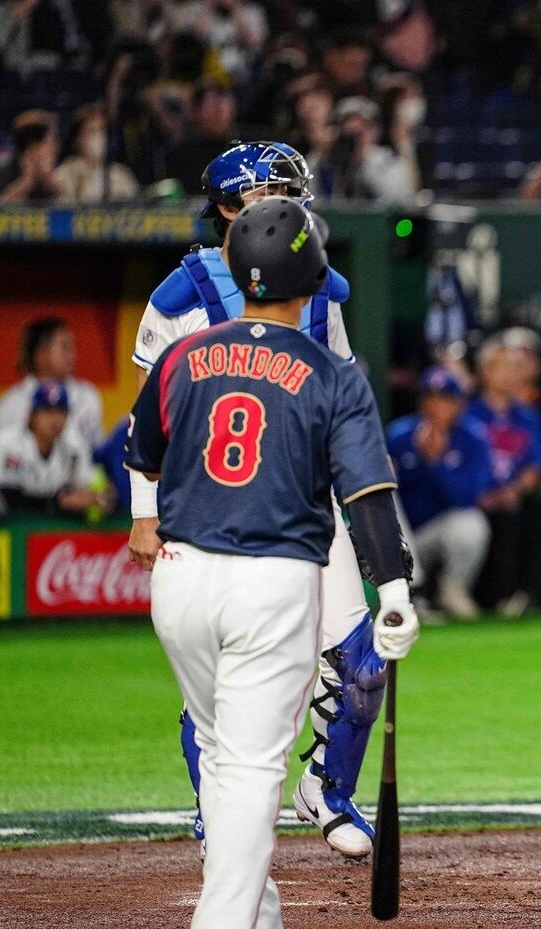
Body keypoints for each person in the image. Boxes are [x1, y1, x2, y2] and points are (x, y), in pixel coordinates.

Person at [126, 197, 417, 929]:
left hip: (181, 580)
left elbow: (143, 454)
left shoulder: (184, 356)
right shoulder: (330, 373)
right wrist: (392, 586)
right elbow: (366, 488)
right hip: (272, 580)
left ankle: (257, 912)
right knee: (254, 769)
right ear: (314, 277)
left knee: (222, 752)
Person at [387, 366, 492, 620]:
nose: (434, 406)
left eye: (443, 399)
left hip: (435, 533)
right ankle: (409, 594)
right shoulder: (400, 435)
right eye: (429, 397)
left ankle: (453, 590)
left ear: (459, 405)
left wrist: (436, 462)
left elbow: (467, 498)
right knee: (386, 495)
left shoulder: (472, 437)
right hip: (399, 538)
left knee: (471, 524)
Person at [464, 337, 541, 617]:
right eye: (504, 367)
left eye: (516, 368)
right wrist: (480, 493)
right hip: (472, 498)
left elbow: (534, 466)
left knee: (519, 516)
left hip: (512, 498)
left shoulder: (529, 417)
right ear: (485, 371)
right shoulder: (467, 413)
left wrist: (514, 490)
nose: (512, 375)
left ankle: (511, 596)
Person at [0, 381, 111, 519]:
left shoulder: (74, 445)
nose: (55, 419)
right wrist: (58, 503)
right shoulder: (8, 444)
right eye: (47, 411)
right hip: (7, 526)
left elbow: (87, 484)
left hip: (51, 527)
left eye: (61, 412)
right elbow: (9, 498)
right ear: (31, 416)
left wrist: (96, 498)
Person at [0, 317, 104, 446]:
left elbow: (98, 448)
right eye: (64, 347)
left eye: (72, 348)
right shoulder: (12, 405)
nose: (72, 355)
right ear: (41, 353)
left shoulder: (88, 395)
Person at [52, 104, 141, 203]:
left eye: (102, 131)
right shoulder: (65, 173)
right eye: (92, 131)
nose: (99, 137)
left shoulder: (120, 174)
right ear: (77, 139)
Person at [0, 109, 62, 203]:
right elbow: (1, 205)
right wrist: (27, 180)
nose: (56, 145)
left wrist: (47, 178)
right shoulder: (4, 170)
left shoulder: (65, 167)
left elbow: (75, 204)